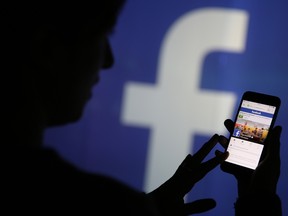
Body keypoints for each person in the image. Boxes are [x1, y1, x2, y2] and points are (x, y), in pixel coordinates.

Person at [3, 1, 282, 215]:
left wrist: (152, 207)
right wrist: (256, 199)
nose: (108, 60)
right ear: (47, 47)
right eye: (102, 36)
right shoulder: (103, 202)